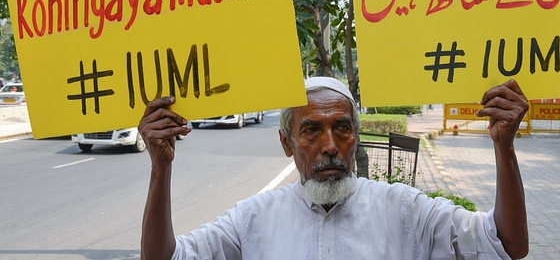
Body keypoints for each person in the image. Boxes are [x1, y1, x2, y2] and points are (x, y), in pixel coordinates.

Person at [138, 77, 529, 260]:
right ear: (286, 143)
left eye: (342, 128)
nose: (329, 145)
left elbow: (506, 244)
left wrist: (504, 147)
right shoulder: (252, 219)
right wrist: (161, 168)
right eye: (311, 130)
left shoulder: (405, 209)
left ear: (355, 137)